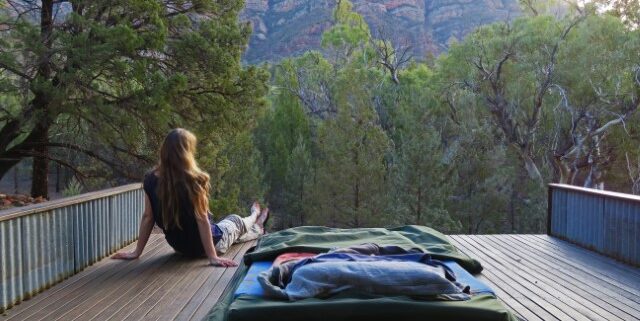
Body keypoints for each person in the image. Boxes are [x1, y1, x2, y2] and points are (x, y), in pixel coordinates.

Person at [112, 128, 269, 267]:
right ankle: (254, 216)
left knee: (234, 235)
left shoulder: (150, 179)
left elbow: (148, 217)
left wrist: (136, 252)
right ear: (187, 153)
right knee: (235, 221)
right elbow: (202, 220)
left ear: (164, 151)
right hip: (208, 246)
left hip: (180, 248)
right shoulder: (195, 181)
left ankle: (257, 227)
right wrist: (212, 257)